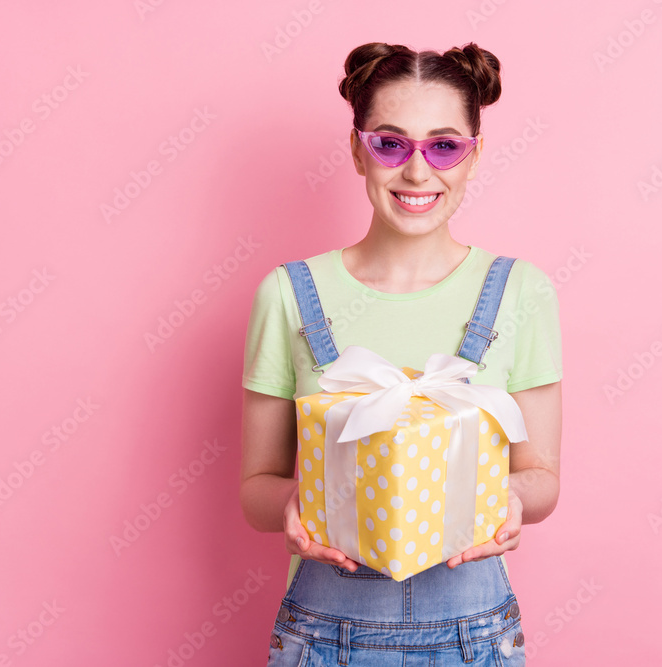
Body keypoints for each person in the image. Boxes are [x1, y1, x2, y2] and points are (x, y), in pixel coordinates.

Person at [240, 41, 563, 666]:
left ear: (473, 156)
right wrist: (293, 505)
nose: (418, 171)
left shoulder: (521, 292)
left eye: (444, 145)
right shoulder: (289, 294)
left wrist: (507, 499)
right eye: (391, 143)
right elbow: (255, 488)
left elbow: (543, 479)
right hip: (326, 639)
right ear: (357, 150)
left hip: (472, 640)